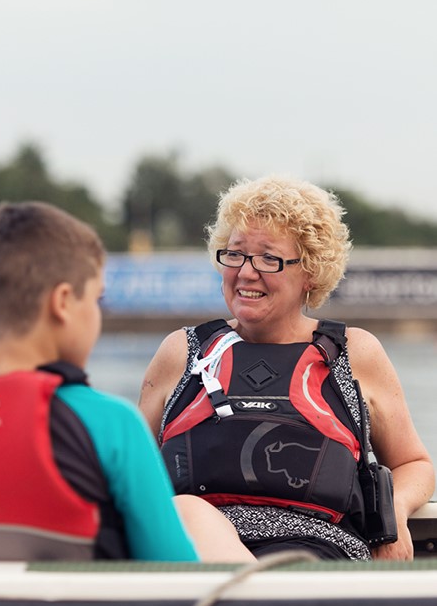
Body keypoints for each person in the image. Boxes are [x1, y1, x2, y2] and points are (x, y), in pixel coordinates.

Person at [0, 201, 251, 563]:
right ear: (63, 303)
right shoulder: (113, 424)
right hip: (69, 602)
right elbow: (173, 571)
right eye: (97, 300)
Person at [139, 175, 434, 562]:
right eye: (235, 254)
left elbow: (414, 464)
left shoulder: (354, 352)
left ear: (310, 272)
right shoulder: (181, 352)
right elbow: (132, 474)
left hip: (316, 561)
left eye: (268, 258)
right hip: (193, 558)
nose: (246, 272)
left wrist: (393, 512)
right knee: (187, 513)